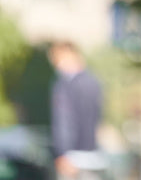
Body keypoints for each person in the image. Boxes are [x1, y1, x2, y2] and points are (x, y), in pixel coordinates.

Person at [47, 41, 108, 179]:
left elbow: (64, 121)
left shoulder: (64, 85)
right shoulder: (94, 82)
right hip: (93, 156)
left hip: (71, 158)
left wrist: (63, 153)